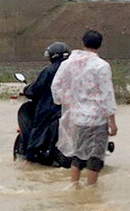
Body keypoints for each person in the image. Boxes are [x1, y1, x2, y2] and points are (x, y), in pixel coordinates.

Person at [51, 29, 118, 186]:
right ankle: (91, 190)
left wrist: (66, 102)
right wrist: (112, 121)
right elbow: (107, 94)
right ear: (99, 45)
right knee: (96, 155)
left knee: (79, 154)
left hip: (76, 118)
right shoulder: (101, 66)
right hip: (97, 119)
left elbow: (56, 86)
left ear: (83, 43)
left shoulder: (68, 63)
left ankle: (74, 185)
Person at [22, 42, 70, 165]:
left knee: (37, 129)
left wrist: (26, 90)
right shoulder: (74, 68)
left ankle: (30, 159)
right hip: (72, 108)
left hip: (51, 109)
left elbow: (36, 88)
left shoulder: (49, 71)